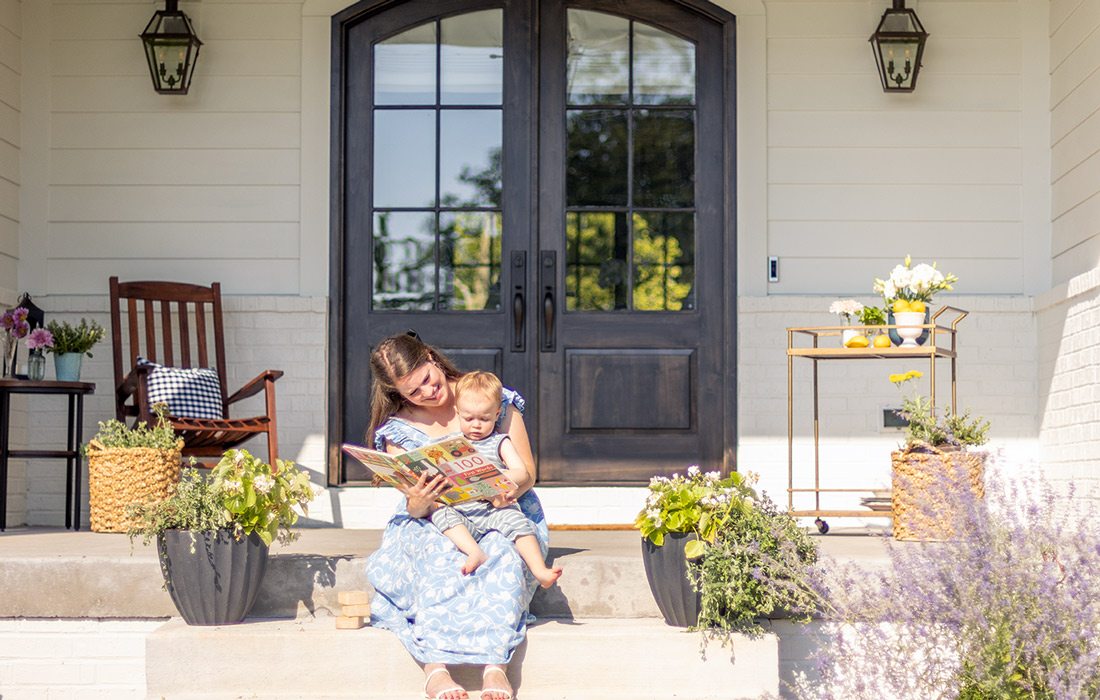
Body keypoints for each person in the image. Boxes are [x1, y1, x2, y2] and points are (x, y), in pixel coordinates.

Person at [365, 331, 549, 700]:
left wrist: (506, 487)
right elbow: (416, 508)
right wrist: (418, 499)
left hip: (498, 507)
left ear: (432, 359)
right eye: (413, 393)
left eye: (428, 381)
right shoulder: (399, 429)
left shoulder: (490, 398)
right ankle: (435, 669)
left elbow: (527, 471)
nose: (428, 393)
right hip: (435, 516)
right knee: (436, 550)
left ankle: (496, 667)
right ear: (399, 395)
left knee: (502, 551)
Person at [431, 371, 563, 588]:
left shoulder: (499, 442)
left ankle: (540, 570)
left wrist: (490, 477)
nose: (476, 425)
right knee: (439, 512)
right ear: (457, 413)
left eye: (484, 419)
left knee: (518, 522)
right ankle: (474, 552)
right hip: (463, 512)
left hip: (495, 509)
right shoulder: (452, 445)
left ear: (497, 413)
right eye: (469, 418)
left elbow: (521, 472)